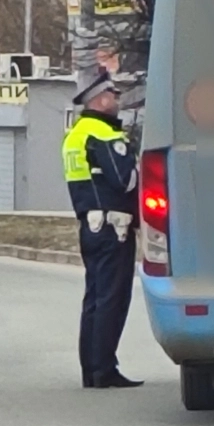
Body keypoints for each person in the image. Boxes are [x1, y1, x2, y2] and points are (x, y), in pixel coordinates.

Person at [62, 72, 143, 390]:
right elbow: (126, 180)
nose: (118, 99)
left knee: (95, 298)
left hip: (91, 224)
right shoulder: (102, 133)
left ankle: (92, 369)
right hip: (114, 227)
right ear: (99, 99)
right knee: (112, 297)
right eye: (114, 94)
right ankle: (105, 369)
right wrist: (134, 159)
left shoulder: (75, 134)